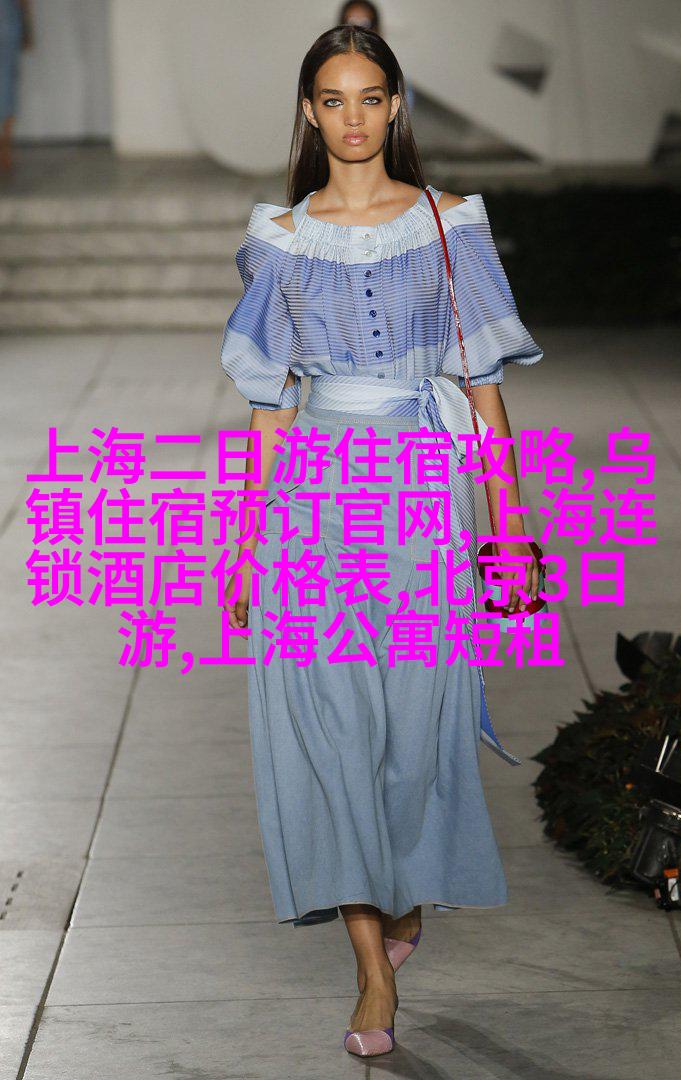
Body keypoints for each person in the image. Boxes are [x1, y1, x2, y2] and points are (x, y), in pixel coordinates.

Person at [220, 23, 543, 1059]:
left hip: (419, 493)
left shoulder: (448, 226)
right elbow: (270, 405)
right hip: (312, 497)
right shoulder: (280, 238)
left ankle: (402, 892)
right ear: (309, 112)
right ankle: (369, 969)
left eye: (370, 97)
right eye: (333, 99)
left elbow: (483, 393)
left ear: (395, 105)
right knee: (329, 729)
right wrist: (246, 542)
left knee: (414, 728)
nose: (352, 117)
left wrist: (512, 532)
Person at [0, 0, 32, 173]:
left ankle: (5, 150)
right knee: (7, 81)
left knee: (7, 81)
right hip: (8, 15)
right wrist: (28, 29)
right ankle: (5, 149)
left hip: (8, 16)